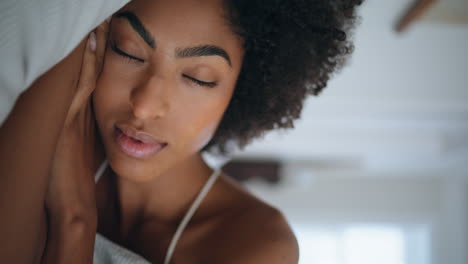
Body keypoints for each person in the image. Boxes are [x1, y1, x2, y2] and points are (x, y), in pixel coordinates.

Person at [0, 0, 362, 263]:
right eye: (129, 52)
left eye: (196, 77)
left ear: (245, 86)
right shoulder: (62, 113)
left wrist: (74, 219)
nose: (144, 106)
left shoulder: (255, 244)